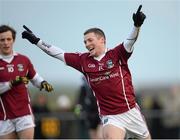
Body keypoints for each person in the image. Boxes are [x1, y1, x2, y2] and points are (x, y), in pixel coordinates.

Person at [22, 5, 151, 139]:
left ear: (102, 40)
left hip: (131, 112)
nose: (87, 44)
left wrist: (137, 25)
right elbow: (58, 53)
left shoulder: (117, 54)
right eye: (85, 42)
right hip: (111, 116)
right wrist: (37, 41)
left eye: (90, 40)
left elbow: (130, 40)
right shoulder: (82, 60)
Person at [0, 25, 53, 139]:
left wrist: (43, 83)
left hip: (24, 114)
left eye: (8, 39)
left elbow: (34, 77)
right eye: (2, 40)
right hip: (4, 116)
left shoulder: (23, 60)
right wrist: (12, 83)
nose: (6, 43)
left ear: (13, 40)